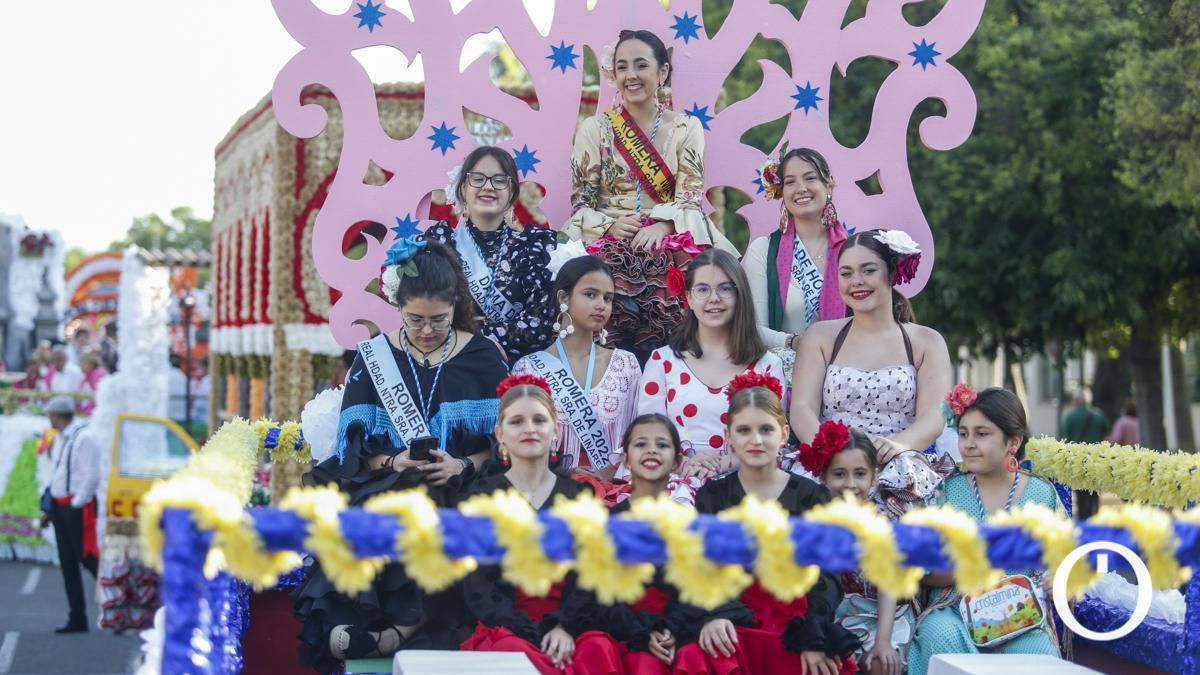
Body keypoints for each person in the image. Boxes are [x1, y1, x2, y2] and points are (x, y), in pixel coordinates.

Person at [293, 238, 508, 671]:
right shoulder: (374, 358)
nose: (427, 330)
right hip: (389, 480)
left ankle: (405, 632)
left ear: (455, 307)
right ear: (396, 305)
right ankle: (385, 625)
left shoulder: (485, 358)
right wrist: (393, 462)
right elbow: (350, 453)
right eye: (414, 319)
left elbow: (505, 443)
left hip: (466, 482)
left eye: (438, 320)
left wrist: (462, 463)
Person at [565, 28, 735, 355]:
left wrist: (664, 226)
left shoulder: (687, 128)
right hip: (610, 232)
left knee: (709, 280)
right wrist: (609, 226)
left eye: (641, 65)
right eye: (622, 66)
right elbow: (580, 204)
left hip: (669, 232)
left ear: (663, 72)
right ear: (612, 74)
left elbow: (689, 198)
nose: (631, 75)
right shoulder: (595, 129)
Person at [676, 373, 858, 675]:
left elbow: (827, 575)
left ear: (784, 434)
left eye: (766, 429)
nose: (756, 440)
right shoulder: (712, 496)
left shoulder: (811, 496)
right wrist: (714, 614)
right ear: (729, 435)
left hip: (796, 618)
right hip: (733, 616)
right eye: (744, 430)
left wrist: (813, 634)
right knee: (701, 652)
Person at [460, 374, 616, 674]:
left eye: (539, 420)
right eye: (517, 422)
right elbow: (478, 585)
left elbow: (593, 574)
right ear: (500, 434)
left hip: (569, 627)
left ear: (555, 430)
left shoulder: (579, 496)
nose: (529, 429)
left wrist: (565, 626)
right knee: (513, 653)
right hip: (508, 628)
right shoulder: (481, 499)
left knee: (599, 648)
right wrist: (533, 631)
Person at [790, 230, 953, 508]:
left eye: (868, 271)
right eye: (846, 273)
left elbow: (933, 418)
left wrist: (898, 445)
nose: (857, 282)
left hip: (898, 463)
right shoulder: (820, 337)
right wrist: (834, 453)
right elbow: (802, 408)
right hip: (831, 462)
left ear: (892, 272)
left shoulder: (927, 342)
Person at [907, 386, 1062, 674]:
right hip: (954, 608)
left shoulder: (1042, 495)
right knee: (938, 635)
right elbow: (924, 572)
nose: (969, 443)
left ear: (1013, 442)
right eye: (963, 433)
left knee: (1040, 654)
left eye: (982, 433)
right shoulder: (945, 491)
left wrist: (1060, 578)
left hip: (1019, 614)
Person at [638, 249, 785, 490]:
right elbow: (647, 436)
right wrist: (684, 463)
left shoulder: (767, 366)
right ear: (689, 298)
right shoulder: (661, 362)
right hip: (673, 483)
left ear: (740, 296)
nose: (714, 298)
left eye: (725, 289)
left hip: (744, 484)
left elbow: (773, 441)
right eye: (703, 289)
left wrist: (724, 462)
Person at [423, 145, 558, 362]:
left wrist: (481, 343)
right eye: (478, 178)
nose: (488, 186)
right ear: (462, 188)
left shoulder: (535, 246)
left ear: (512, 192)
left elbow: (541, 321)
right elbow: (423, 308)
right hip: (447, 362)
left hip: (514, 371)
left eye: (499, 180)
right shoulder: (439, 242)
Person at [512, 256, 640, 481]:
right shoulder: (528, 368)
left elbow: (641, 435)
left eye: (608, 298)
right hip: (549, 491)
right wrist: (562, 471)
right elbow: (515, 441)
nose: (601, 305)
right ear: (563, 297)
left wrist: (612, 473)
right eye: (590, 294)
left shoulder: (626, 365)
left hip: (616, 490)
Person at [801, 423, 914, 675]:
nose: (850, 484)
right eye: (839, 474)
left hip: (880, 617)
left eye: (860, 474)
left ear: (874, 477)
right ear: (823, 476)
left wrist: (883, 641)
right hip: (828, 616)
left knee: (880, 663)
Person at [576, 414, 685, 673]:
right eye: (640, 444)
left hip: (674, 632)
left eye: (662, 444)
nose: (651, 450)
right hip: (625, 631)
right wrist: (641, 632)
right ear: (624, 460)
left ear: (678, 461)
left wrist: (673, 629)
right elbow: (601, 593)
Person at [742, 148, 849, 354]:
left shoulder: (853, 250)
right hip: (785, 371)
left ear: (828, 185)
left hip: (845, 371)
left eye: (810, 178)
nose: (800, 188)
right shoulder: (764, 251)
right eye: (790, 182)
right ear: (781, 191)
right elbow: (755, 330)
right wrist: (795, 342)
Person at [39, 396, 101, 633]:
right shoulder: (63, 438)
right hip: (61, 507)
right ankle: (77, 617)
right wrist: (51, 506)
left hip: (75, 508)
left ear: (58, 415)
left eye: (50, 415)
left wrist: (76, 504)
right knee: (68, 564)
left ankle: (120, 604)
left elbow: (92, 476)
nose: (49, 419)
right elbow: (58, 475)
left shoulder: (84, 438)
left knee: (87, 558)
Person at [1059, 389, 1110, 520]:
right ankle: (1095, 516)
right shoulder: (1099, 415)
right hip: (1097, 459)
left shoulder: (1070, 417)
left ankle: (1083, 519)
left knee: (1081, 493)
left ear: (1076, 401)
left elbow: (1066, 439)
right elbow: (1106, 434)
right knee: (1095, 491)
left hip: (1078, 460)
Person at [78, 351, 108, 415]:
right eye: (81, 363)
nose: (81, 366)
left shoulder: (99, 374)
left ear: (91, 363)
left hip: (97, 411)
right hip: (88, 411)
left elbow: (99, 394)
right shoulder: (87, 376)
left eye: (83, 363)